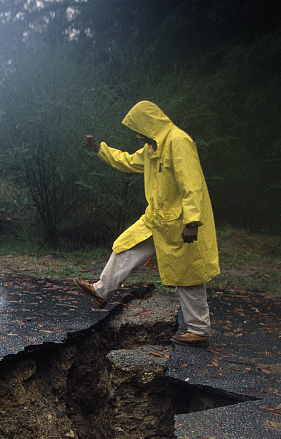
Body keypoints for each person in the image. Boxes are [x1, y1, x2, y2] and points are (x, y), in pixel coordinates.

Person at [75, 100, 219, 347]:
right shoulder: (152, 148)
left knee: (187, 274)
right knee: (126, 245)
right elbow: (128, 161)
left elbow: (192, 183)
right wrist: (100, 149)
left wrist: (193, 221)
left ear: (149, 123)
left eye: (138, 129)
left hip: (179, 223)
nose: (137, 134)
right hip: (156, 219)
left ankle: (199, 331)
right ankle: (101, 291)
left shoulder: (177, 141)